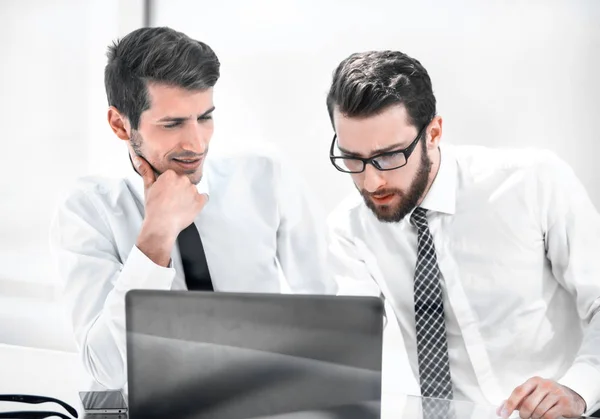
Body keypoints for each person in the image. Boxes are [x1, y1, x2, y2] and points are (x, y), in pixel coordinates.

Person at [49, 26, 336, 390]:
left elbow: (331, 314)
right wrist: (157, 236)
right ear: (120, 124)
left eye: (205, 117)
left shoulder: (265, 176)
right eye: (172, 124)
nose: (197, 143)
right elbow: (106, 370)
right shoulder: (87, 210)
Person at [325, 50, 600, 419]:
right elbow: (348, 343)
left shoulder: (534, 182)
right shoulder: (350, 228)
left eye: (389, 156)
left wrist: (579, 388)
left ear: (434, 132)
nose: (371, 181)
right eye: (352, 158)